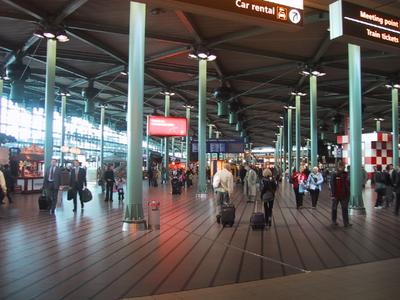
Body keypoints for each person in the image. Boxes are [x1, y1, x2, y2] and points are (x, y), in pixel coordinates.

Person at [330, 162, 352, 227]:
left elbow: (348, 183)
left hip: (344, 194)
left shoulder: (346, 174)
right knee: (334, 208)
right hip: (336, 194)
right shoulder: (334, 174)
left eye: (344, 166)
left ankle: (346, 222)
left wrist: (348, 193)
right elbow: (332, 184)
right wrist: (333, 194)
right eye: (342, 166)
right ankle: (334, 221)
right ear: (339, 167)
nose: (343, 168)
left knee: (344, 208)